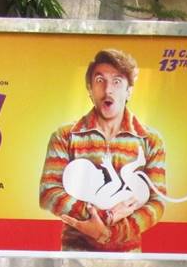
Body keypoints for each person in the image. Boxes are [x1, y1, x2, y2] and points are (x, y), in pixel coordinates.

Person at [38, 48, 167, 252]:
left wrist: (109, 233)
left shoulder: (150, 140)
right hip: (75, 257)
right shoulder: (65, 136)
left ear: (129, 91)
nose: (108, 90)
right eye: (100, 80)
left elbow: (157, 202)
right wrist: (96, 217)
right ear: (90, 89)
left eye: (117, 82)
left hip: (128, 259)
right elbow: (49, 193)